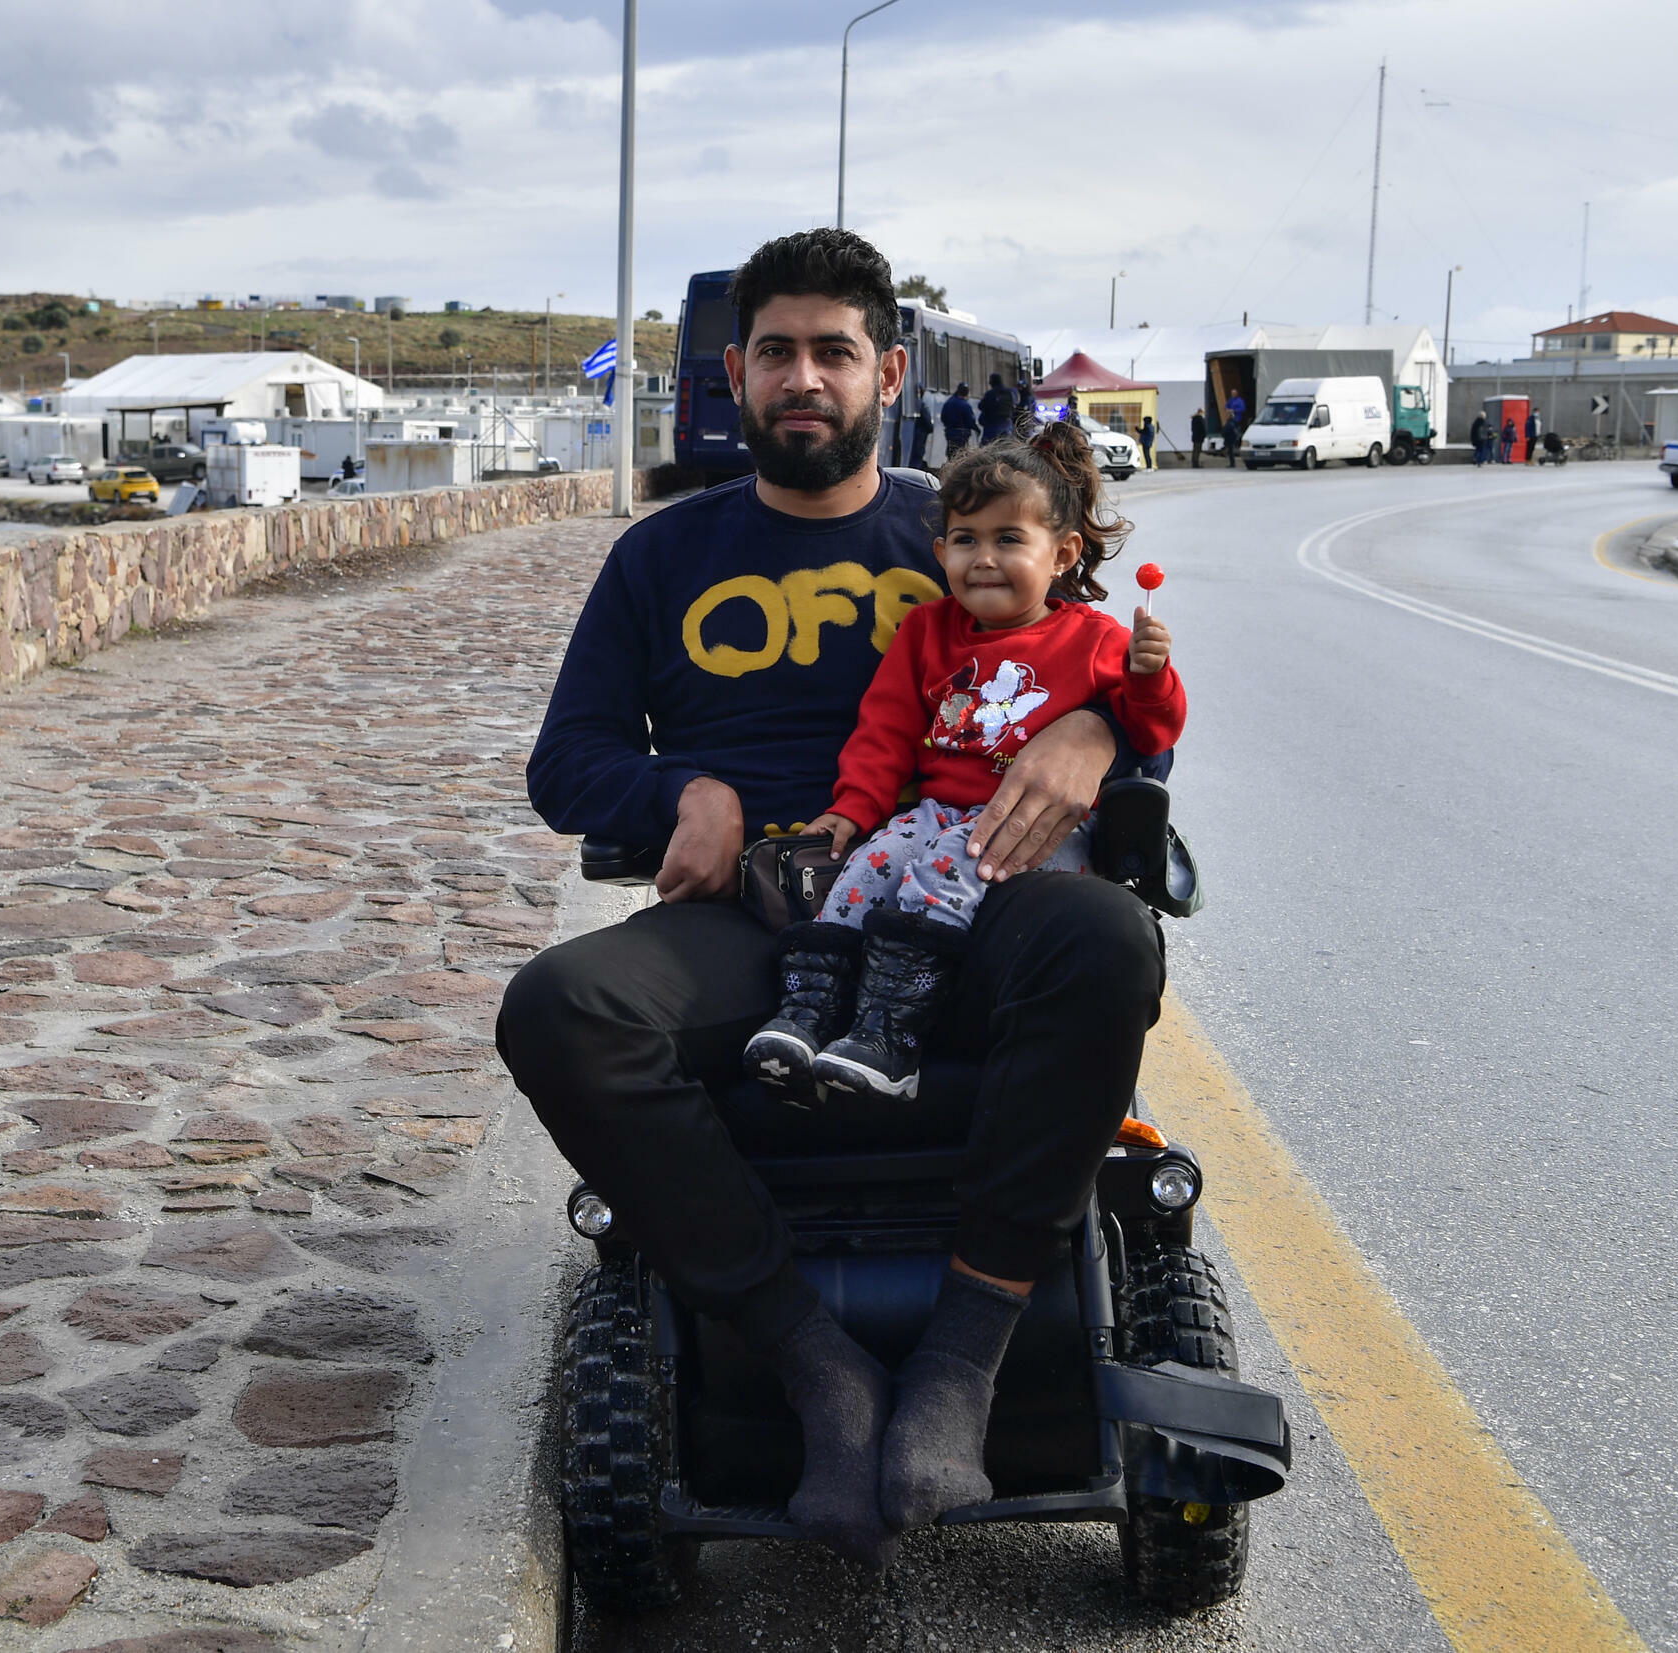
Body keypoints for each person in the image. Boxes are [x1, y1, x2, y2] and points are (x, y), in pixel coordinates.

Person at [501, 228, 1165, 1571]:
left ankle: (962, 1361)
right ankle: (810, 1362)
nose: (806, 377)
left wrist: (1101, 737)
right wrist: (678, 795)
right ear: (737, 375)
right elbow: (565, 762)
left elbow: (1115, 665)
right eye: (778, 353)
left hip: (969, 889)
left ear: (887, 371)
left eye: (836, 352)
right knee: (561, 1008)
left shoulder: (964, 517)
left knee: (1108, 938)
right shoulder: (662, 556)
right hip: (768, 920)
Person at [744, 424, 1182, 1102]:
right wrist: (853, 810)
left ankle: (890, 1042)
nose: (984, 557)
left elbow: (1151, 733)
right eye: (967, 539)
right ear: (941, 550)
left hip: (1040, 832)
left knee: (939, 873)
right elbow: (884, 732)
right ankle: (807, 1019)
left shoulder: (1097, 638)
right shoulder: (927, 631)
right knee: (865, 871)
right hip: (936, 814)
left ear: (1063, 553)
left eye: (1009, 539)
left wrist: (1151, 677)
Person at [976, 373, 1015, 445]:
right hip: (1007, 424)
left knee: (987, 448)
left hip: (992, 425)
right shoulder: (1009, 392)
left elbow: (981, 406)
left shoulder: (990, 393)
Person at [941, 381, 977, 457]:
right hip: (962, 434)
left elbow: (943, 417)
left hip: (950, 432)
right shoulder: (965, 405)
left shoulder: (949, 402)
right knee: (960, 454)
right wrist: (976, 429)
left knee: (951, 453)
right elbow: (971, 421)